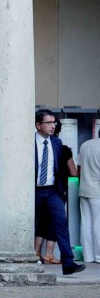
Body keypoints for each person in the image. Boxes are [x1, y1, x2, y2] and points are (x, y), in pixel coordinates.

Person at [33, 110, 85, 275]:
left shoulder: (56, 142)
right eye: (48, 123)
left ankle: (68, 263)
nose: (53, 126)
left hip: (52, 190)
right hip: (33, 191)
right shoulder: (28, 143)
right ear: (38, 125)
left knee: (61, 223)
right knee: (27, 223)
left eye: (53, 122)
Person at [79, 136, 100, 264]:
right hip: (97, 190)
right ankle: (99, 256)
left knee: (86, 223)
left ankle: (88, 256)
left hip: (84, 188)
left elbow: (79, 167)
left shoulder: (85, 145)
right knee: (98, 223)